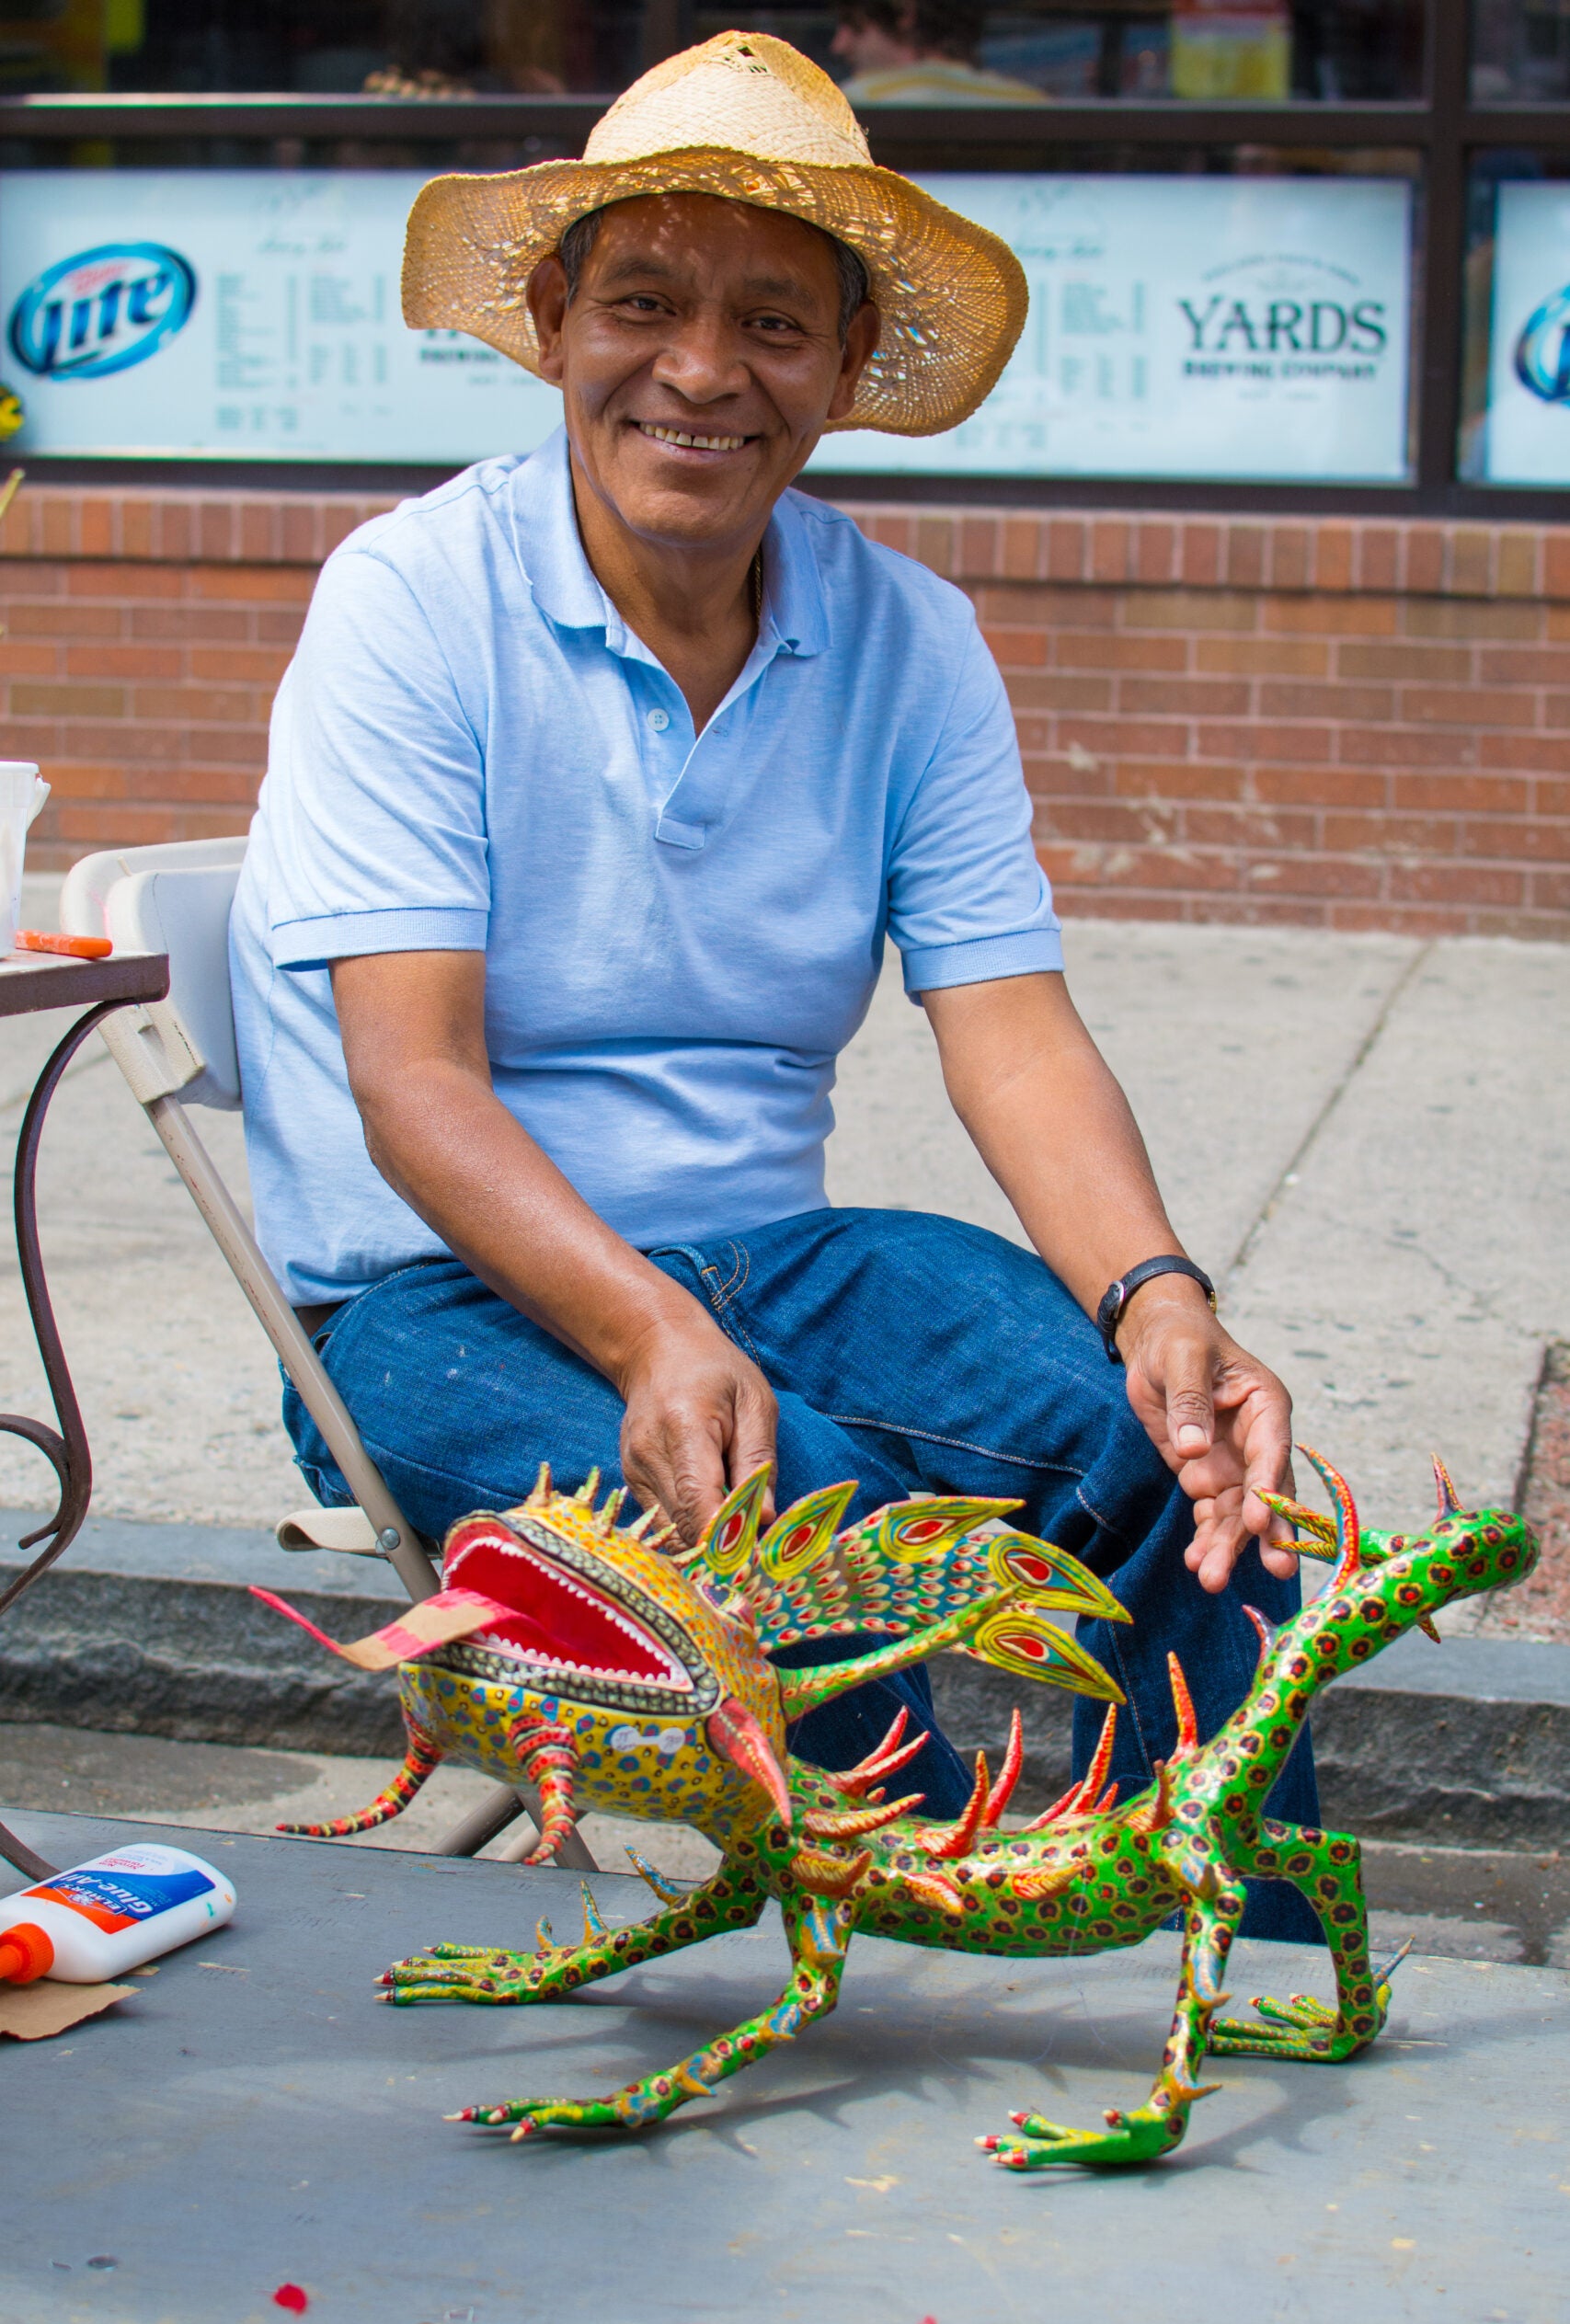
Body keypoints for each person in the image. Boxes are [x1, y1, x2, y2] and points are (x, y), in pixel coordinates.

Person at [230, 30, 1319, 1937]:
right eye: (642, 300)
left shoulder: (907, 635)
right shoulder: (408, 601)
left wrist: (1160, 1294)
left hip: (773, 1253)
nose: (702, 370)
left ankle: (1232, 1957)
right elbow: (414, 1087)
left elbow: (1009, 1021)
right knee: (816, 1534)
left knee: (1174, 1456)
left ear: (836, 367)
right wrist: (648, 1332)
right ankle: (919, 2029)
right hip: (427, 1297)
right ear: (559, 317)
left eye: (771, 323)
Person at [831, 0, 1049, 106]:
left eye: (853, 25)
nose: (838, 45)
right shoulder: (1033, 105)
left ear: (904, 14)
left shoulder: (851, 104)